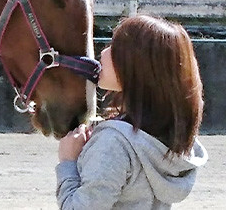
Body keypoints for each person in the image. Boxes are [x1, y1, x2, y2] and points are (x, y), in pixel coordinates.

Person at [55, 15, 208, 209]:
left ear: (136, 67)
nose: (104, 53)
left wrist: (68, 162)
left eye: (115, 47)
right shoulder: (165, 138)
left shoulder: (114, 143)